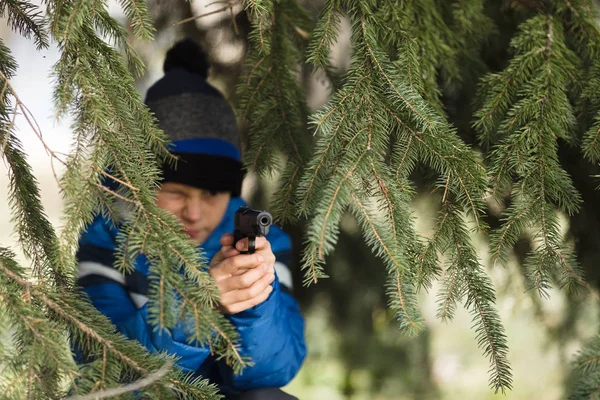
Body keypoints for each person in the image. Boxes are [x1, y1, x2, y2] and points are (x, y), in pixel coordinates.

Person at [75, 38, 306, 400]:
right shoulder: (106, 237)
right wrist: (197, 307)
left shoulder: (265, 245)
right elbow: (103, 370)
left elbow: (277, 369)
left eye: (212, 194)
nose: (194, 213)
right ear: (140, 183)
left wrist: (253, 303)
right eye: (177, 192)